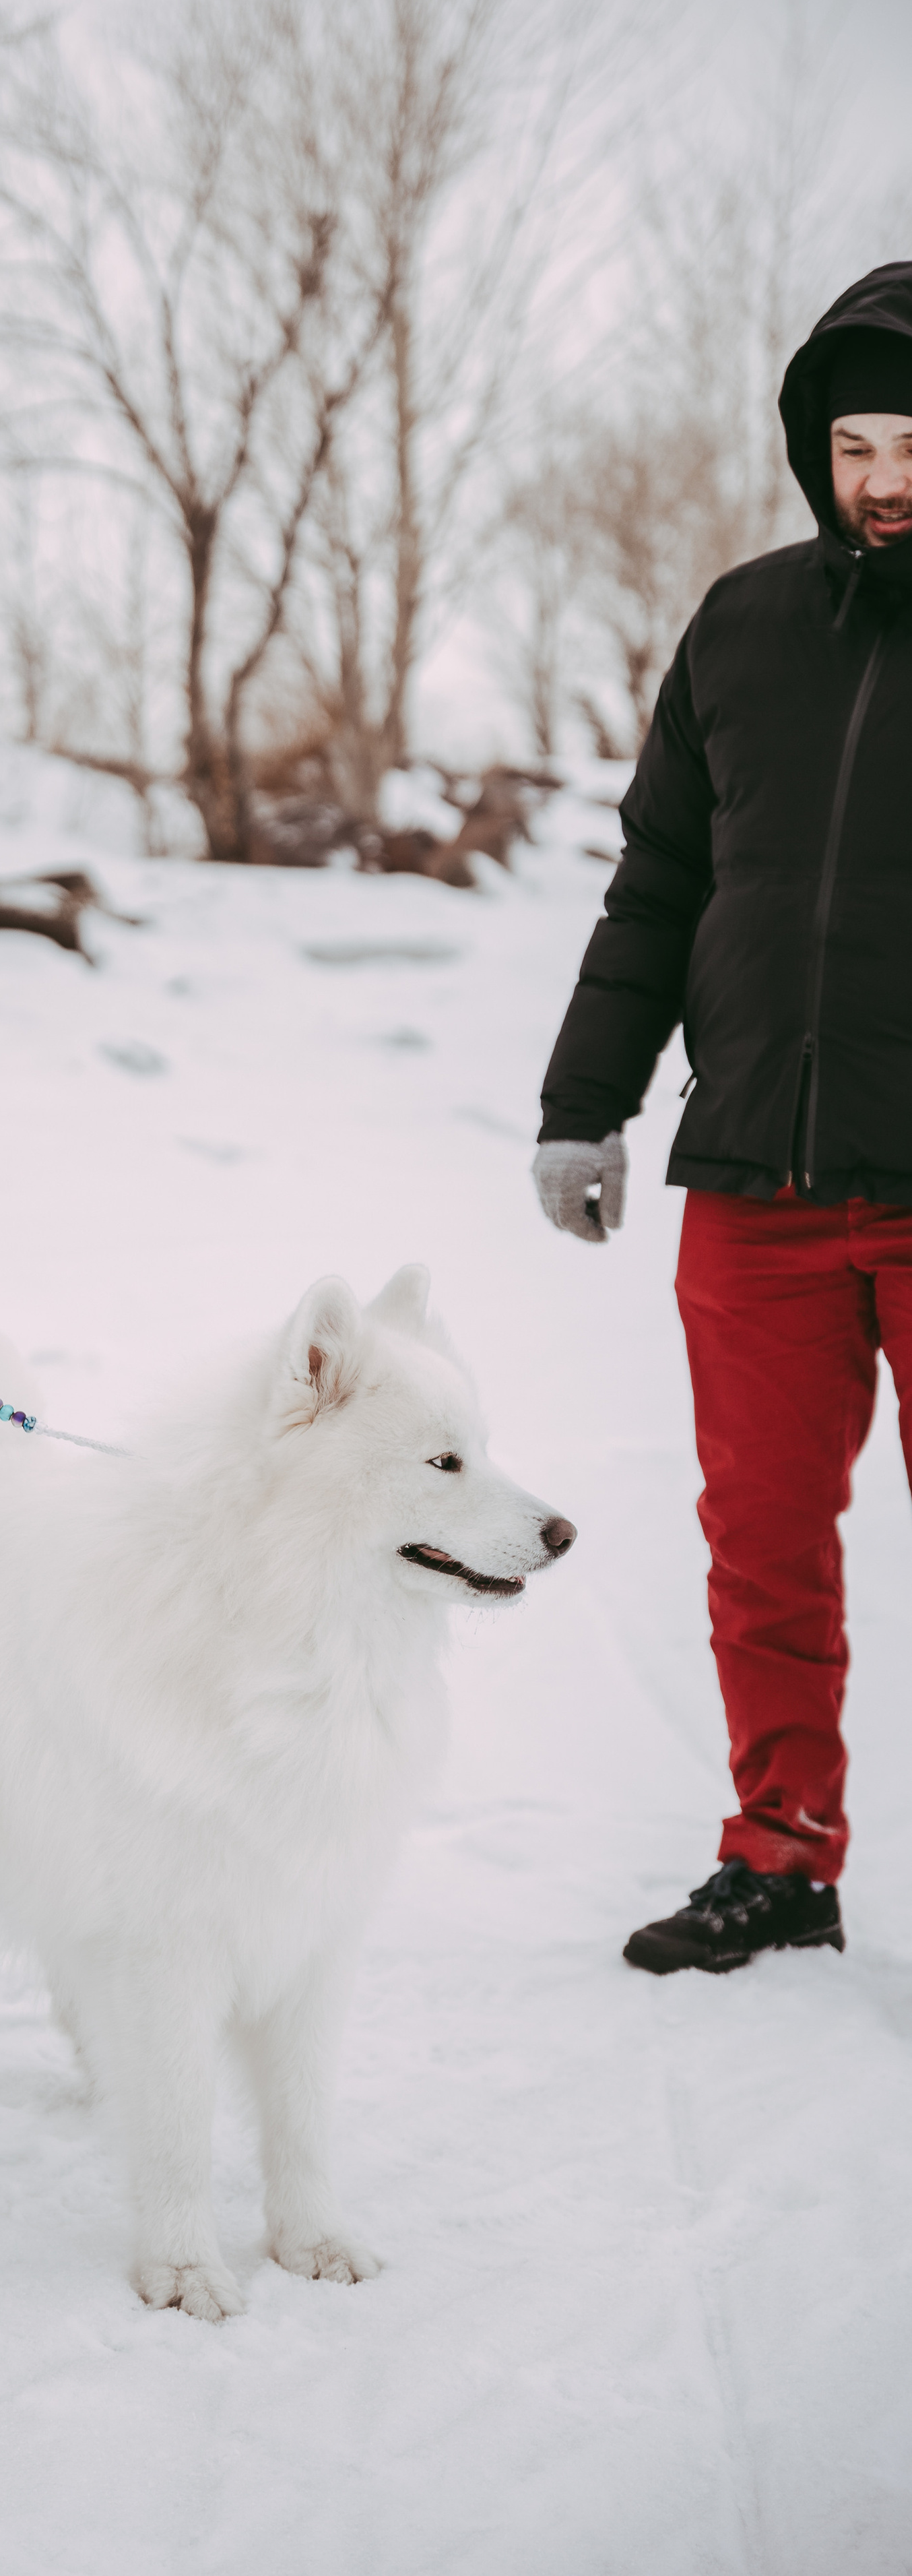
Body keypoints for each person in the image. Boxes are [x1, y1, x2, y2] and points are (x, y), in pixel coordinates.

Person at [534, 261, 912, 1978]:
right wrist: (582, 1104)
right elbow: (658, 880)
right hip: (752, 1176)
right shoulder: (742, 624)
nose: (884, 475)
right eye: (853, 442)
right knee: (760, 1551)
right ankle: (780, 1851)